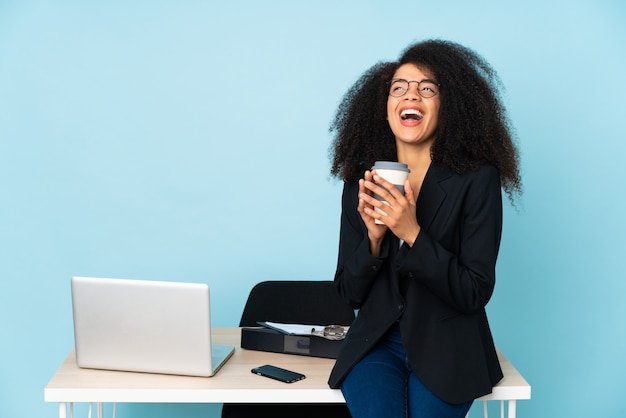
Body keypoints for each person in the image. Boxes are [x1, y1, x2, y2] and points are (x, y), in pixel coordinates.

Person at [327, 39, 522, 418]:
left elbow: (474, 291)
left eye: (426, 88)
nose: (410, 94)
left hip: (450, 346)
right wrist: (374, 238)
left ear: (447, 107)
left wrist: (412, 232)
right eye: (398, 87)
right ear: (385, 109)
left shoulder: (477, 179)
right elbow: (347, 294)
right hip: (376, 345)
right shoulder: (361, 181)